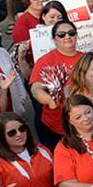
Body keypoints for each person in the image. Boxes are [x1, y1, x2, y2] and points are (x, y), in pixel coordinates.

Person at [29, 20, 83, 149]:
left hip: (83, 123)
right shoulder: (45, 61)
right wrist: (49, 100)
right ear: (54, 39)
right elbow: (36, 88)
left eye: (71, 33)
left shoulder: (86, 59)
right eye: (61, 34)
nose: (67, 37)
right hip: (54, 126)